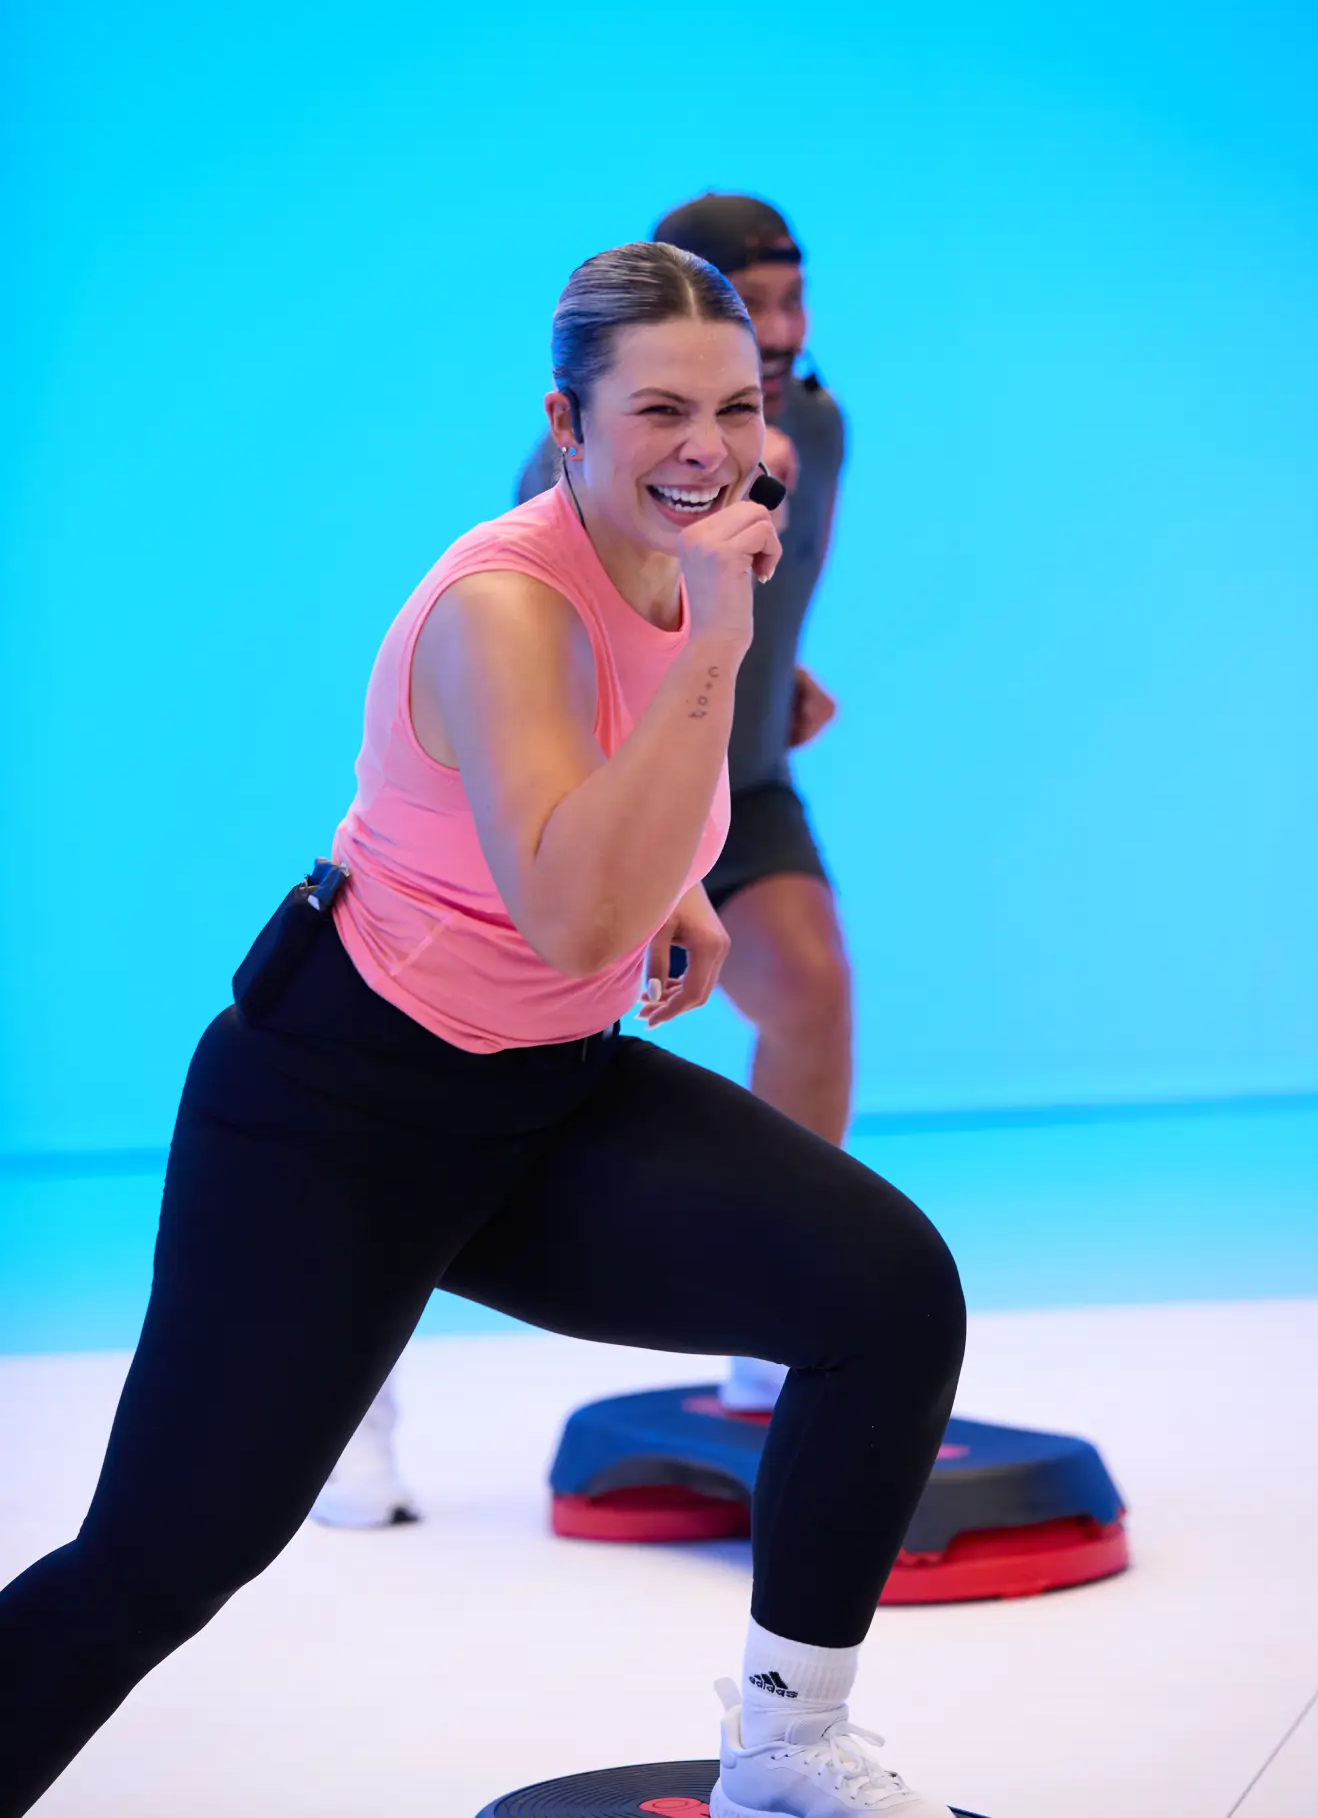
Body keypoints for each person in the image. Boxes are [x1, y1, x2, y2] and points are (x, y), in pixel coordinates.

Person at [0, 243, 965, 1818]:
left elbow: (571, 839)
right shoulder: (507, 604)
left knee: (889, 1296)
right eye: (660, 408)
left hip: (539, 1099)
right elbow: (567, 909)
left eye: (739, 404)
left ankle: (787, 1754)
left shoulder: (672, 567)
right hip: (339, 1110)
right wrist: (721, 648)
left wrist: (686, 888)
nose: (712, 445)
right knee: (167, 1559)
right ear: (565, 422)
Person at [316, 197, 850, 1525]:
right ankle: (343, 1384)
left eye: (792, 303)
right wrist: (660, 866)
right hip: (597, 800)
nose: (777, 334)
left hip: (731, 780)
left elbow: (738, 583)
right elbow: (585, 645)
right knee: (430, 1151)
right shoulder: (548, 517)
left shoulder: (811, 437)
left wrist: (778, 674)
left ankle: (779, 1332)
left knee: (813, 989)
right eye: (749, 306)